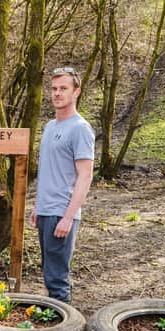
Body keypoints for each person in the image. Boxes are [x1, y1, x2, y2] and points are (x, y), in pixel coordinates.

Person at [30, 67, 95, 304]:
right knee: (48, 273)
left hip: (62, 213)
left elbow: (85, 176)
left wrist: (68, 217)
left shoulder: (80, 129)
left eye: (63, 89)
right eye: (54, 89)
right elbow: (49, 170)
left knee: (57, 280)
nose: (57, 93)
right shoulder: (50, 127)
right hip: (46, 211)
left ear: (76, 92)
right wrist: (38, 206)